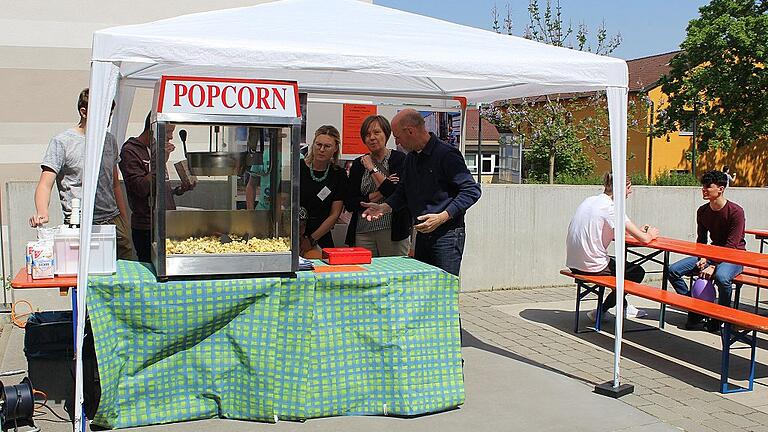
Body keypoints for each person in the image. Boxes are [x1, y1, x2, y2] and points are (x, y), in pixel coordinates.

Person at [360, 109, 481, 276]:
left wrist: (442, 216)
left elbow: (472, 190)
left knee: (443, 288)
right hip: (423, 233)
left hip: (447, 235)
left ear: (410, 131)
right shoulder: (411, 158)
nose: (397, 142)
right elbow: (403, 191)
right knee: (424, 287)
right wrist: (384, 208)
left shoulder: (446, 154)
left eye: (397, 136)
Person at [29, 88, 134, 260]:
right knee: (86, 280)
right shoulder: (63, 142)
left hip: (113, 221)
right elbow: (45, 184)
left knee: (125, 275)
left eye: (108, 113)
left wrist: (124, 219)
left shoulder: (109, 141)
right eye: (101, 113)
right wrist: (42, 211)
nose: (106, 119)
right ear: (83, 112)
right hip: (80, 223)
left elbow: (114, 183)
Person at [566, 173, 660, 322]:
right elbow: (645, 239)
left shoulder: (589, 200)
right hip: (592, 266)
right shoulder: (612, 208)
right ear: (624, 187)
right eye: (630, 188)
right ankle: (601, 311)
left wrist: (635, 231)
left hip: (573, 263)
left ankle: (623, 306)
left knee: (620, 269)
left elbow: (614, 230)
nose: (630, 192)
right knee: (636, 273)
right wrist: (651, 233)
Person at [668, 170, 746, 331]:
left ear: (721, 188)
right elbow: (701, 240)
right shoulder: (703, 211)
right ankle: (696, 309)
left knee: (722, 277)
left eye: (708, 186)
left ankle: (720, 317)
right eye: (703, 186)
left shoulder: (736, 212)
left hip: (735, 256)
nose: (703, 189)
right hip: (712, 253)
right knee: (673, 270)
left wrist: (714, 265)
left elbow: (732, 245)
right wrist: (702, 256)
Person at [120, 113, 195, 262]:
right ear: (153, 128)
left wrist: (180, 189)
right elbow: (141, 189)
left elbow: (159, 188)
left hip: (168, 222)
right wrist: (160, 162)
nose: (170, 137)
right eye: (168, 132)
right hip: (147, 227)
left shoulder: (156, 148)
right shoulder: (130, 151)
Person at [344, 115, 411, 256]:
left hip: (393, 231)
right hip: (362, 231)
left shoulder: (400, 159)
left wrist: (371, 168)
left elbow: (397, 195)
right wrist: (379, 192)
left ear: (386, 134)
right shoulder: (357, 164)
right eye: (367, 134)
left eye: (376, 132)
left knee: (394, 274)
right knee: (364, 274)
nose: (372, 138)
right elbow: (350, 202)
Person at [299, 125, 347, 255]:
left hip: (321, 235)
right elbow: (283, 201)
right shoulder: (298, 168)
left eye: (327, 146)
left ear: (335, 148)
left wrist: (311, 239)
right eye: (318, 144)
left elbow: (335, 214)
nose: (321, 149)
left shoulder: (339, 174)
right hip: (295, 233)